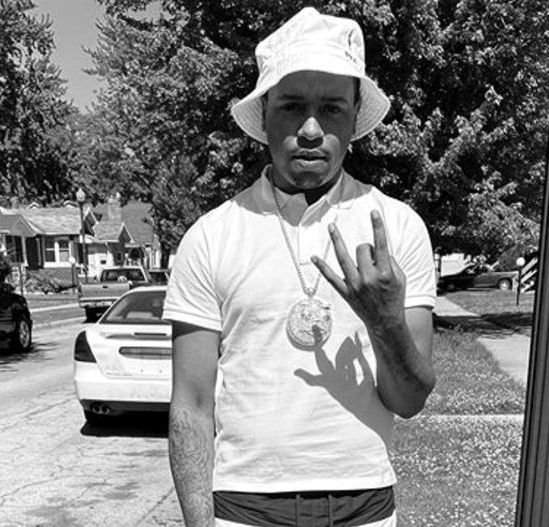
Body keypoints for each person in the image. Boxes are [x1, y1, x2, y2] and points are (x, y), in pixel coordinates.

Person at [163, 7, 437, 527]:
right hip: (246, 508)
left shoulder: (396, 227)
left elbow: (409, 400)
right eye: (292, 106)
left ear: (354, 117)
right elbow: (191, 408)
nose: (311, 129)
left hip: (364, 507)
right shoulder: (212, 236)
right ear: (264, 112)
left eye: (332, 108)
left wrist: (385, 322)